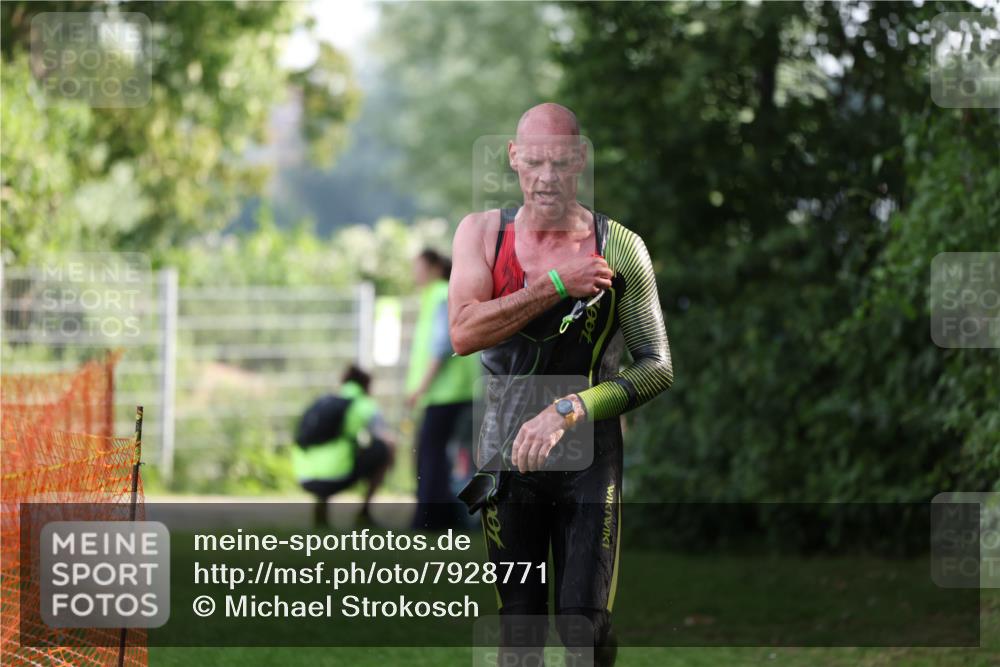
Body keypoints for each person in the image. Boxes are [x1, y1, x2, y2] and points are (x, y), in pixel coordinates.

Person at [449, 103, 673, 666]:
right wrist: (555, 283)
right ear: (514, 158)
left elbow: (656, 366)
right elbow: (464, 332)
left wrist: (572, 408)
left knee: (583, 630)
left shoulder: (619, 246)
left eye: (561, 162)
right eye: (535, 162)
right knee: (519, 635)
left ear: (580, 161)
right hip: (508, 453)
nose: (547, 177)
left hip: (588, 454)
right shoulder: (481, 234)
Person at [406, 248, 481, 530]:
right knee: (440, 455)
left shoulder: (440, 295)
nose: (415, 273)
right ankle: (443, 518)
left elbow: (441, 346)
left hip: (445, 393)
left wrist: (419, 389)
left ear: (436, 267)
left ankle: (431, 520)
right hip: (449, 393)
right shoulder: (437, 295)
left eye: (419, 266)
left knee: (431, 456)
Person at [293, 364, 394, 528]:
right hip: (337, 475)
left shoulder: (323, 402)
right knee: (384, 449)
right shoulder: (364, 405)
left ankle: (321, 512)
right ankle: (364, 513)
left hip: (304, 476)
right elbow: (387, 439)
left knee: (334, 452)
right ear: (367, 386)